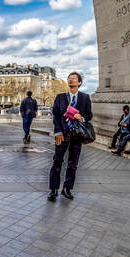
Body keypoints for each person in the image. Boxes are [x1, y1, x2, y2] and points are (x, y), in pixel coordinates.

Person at [48, 70, 92, 201]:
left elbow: (89, 115)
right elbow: (55, 115)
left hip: (77, 135)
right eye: (69, 78)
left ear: (79, 82)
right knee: (57, 161)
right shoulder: (60, 97)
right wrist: (58, 132)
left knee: (73, 163)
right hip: (63, 134)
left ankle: (67, 189)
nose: (70, 80)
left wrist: (82, 117)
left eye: (73, 78)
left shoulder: (85, 97)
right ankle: (53, 189)